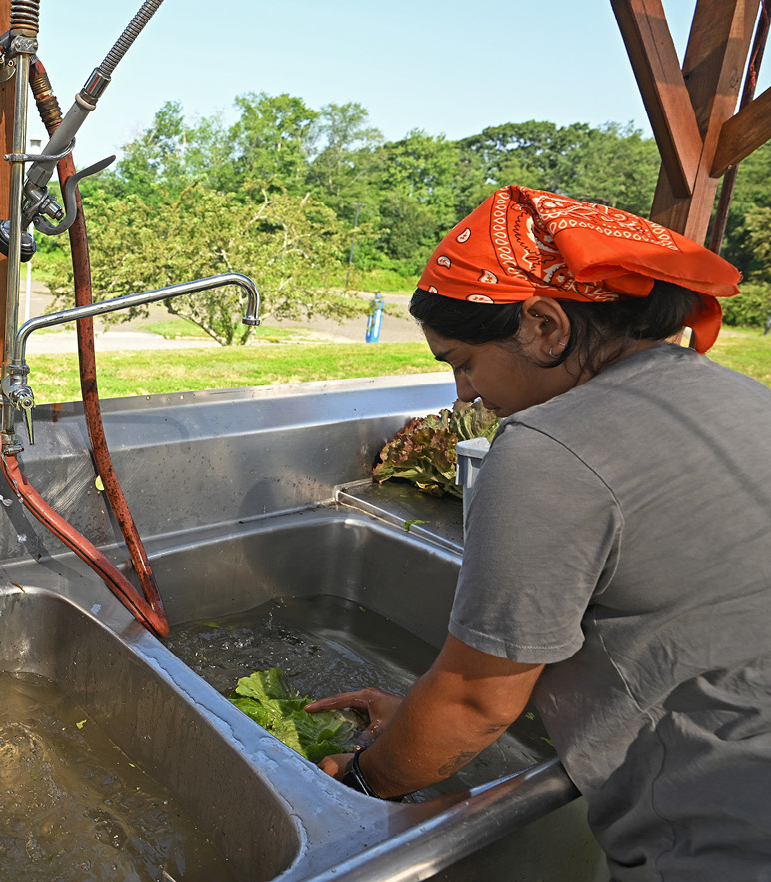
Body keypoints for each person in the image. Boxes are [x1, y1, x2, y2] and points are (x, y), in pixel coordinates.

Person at [307, 185, 771, 881]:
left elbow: (473, 701)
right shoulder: (738, 397)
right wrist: (414, 720)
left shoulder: (547, 448)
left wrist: (361, 783)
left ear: (546, 327)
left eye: (462, 361)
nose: (461, 394)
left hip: (720, 838)